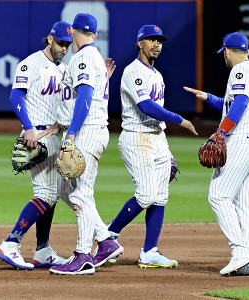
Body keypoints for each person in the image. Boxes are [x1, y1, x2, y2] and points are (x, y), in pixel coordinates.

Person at [37, 13, 123, 275]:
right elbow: (80, 97)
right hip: (86, 129)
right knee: (65, 189)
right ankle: (106, 241)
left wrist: (71, 135)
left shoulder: (84, 57)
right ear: (95, 34)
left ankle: (83, 255)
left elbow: (85, 95)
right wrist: (60, 128)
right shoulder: (90, 57)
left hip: (86, 132)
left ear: (72, 30)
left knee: (80, 194)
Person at [105, 24, 197, 269]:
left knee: (160, 196)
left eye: (159, 40)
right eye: (151, 39)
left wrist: (164, 147)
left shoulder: (157, 75)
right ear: (140, 43)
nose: (156, 44)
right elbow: (146, 107)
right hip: (137, 137)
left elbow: (155, 113)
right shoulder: (134, 71)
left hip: (157, 139)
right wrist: (180, 119)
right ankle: (108, 235)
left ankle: (149, 251)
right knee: (146, 194)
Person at [183, 32, 249, 276]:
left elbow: (240, 103)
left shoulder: (238, 70)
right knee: (247, 205)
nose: (226, 58)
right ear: (248, 51)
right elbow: (235, 103)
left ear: (228, 51)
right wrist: (208, 98)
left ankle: (240, 252)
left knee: (218, 195)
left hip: (242, 142)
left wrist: (221, 132)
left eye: (225, 54)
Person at [0, 21, 73, 270]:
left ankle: (42, 250)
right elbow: (16, 95)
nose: (64, 48)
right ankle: (10, 243)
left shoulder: (64, 69)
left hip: (53, 135)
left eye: (68, 45)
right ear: (50, 39)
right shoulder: (31, 63)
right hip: (36, 135)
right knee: (46, 194)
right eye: (61, 43)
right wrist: (28, 127)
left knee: (52, 197)